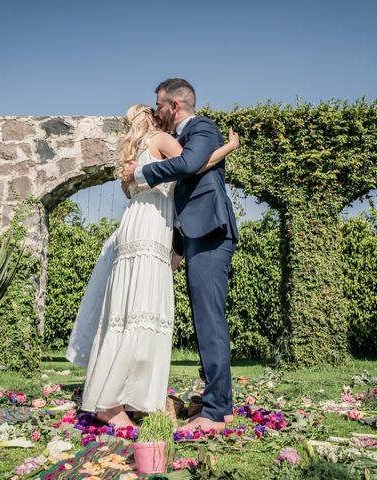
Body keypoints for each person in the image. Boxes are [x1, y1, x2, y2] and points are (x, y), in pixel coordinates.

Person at [67, 103, 239, 428]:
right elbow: (196, 164)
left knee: (127, 310)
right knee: (145, 312)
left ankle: (118, 395)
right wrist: (228, 146)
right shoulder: (161, 140)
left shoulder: (132, 154)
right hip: (152, 227)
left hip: (135, 224)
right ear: (151, 116)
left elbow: (132, 188)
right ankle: (113, 401)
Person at [122, 79, 239, 433]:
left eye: (159, 105)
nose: (155, 111)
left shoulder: (202, 127)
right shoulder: (182, 140)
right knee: (205, 317)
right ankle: (218, 402)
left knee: (209, 319)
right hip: (192, 236)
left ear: (174, 105)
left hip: (210, 233)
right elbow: (189, 179)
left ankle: (216, 412)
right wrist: (175, 248)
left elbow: (190, 165)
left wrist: (140, 172)